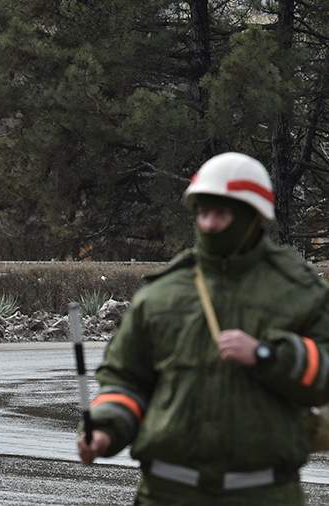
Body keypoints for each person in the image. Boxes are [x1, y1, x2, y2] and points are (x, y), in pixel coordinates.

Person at [77, 152, 329, 505]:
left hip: (264, 493)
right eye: (203, 212)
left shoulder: (299, 292)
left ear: (253, 217)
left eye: (222, 213)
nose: (209, 224)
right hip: (167, 493)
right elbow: (126, 379)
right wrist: (105, 428)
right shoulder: (161, 295)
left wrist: (266, 354)